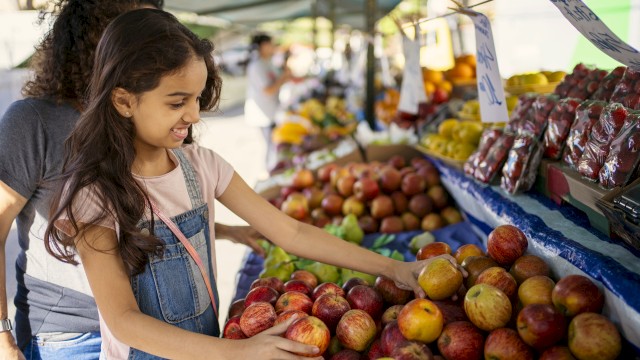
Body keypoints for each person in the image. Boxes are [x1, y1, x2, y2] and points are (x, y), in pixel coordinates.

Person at [43, 9, 463, 359]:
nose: (192, 116)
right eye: (177, 102)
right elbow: (124, 321)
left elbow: (291, 231)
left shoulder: (202, 165)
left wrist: (395, 268)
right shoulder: (93, 196)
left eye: (196, 99)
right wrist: (238, 353)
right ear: (124, 101)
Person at [0, 2, 262, 359]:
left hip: (159, 329)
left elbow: (146, 208)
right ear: (99, 38)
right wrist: (2, 334)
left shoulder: (153, 113)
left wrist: (226, 230)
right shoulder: (33, 121)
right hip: (73, 335)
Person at [244, 33, 291, 171]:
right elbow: (268, 90)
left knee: (274, 145)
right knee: (271, 147)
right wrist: (283, 77)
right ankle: (271, 172)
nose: (273, 47)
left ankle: (273, 170)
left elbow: (280, 79)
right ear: (263, 46)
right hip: (262, 114)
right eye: (270, 44)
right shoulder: (256, 66)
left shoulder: (268, 62)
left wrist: (285, 72)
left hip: (271, 111)